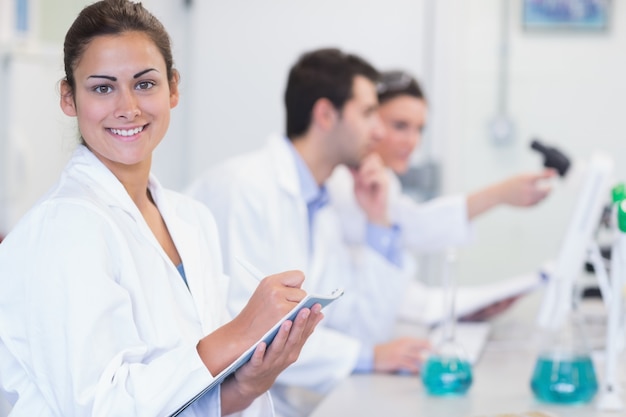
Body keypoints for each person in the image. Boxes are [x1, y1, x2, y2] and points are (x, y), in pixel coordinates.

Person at [0, 1, 322, 416]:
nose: (128, 106)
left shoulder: (191, 220)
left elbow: (188, 397)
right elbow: (100, 406)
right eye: (102, 87)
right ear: (69, 97)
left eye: (144, 84)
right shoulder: (63, 227)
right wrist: (242, 331)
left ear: (172, 88)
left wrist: (249, 382)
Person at [187, 49, 429, 416]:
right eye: (367, 114)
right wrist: (364, 356)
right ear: (325, 114)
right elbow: (248, 329)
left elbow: (358, 324)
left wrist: (379, 222)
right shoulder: (243, 189)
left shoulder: (324, 201)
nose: (378, 131)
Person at [326, 70, 555, 323]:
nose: (412, 141)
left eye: (419, 129)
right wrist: (498, 194)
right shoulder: (340, 185)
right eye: (400, 126)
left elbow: (394, 268)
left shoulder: (382, 181)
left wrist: (459, 308)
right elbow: (411, 228)